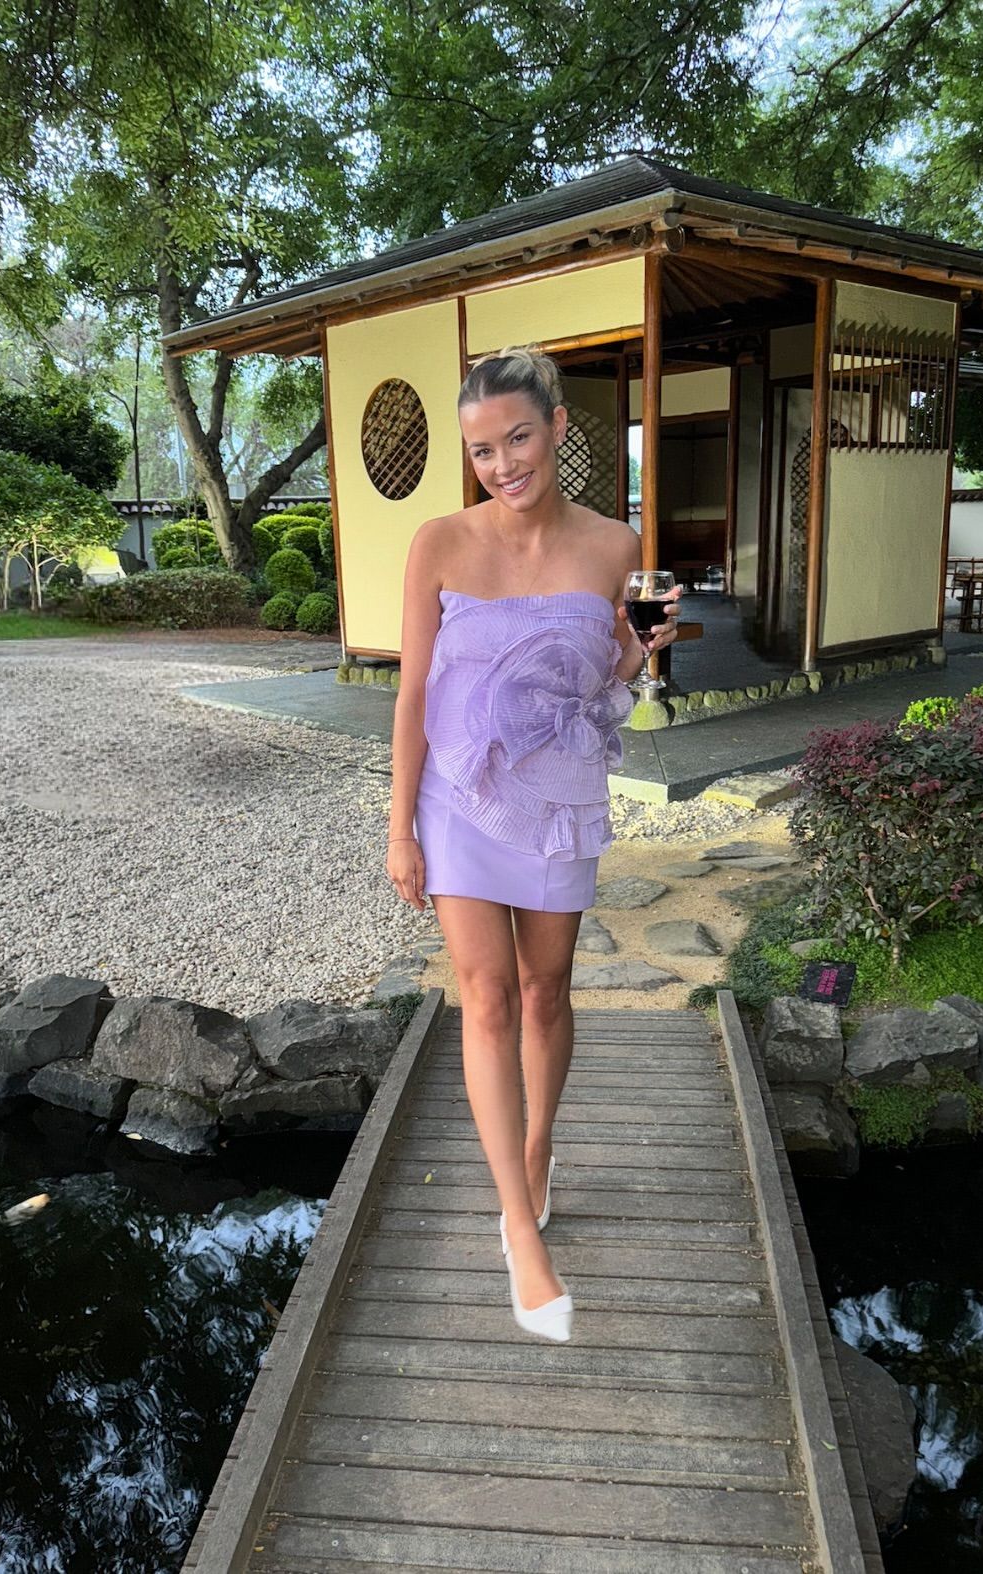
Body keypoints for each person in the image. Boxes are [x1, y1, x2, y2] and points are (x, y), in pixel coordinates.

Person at [386, 344, 681, 1343]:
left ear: (557, 427)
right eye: (482, 450)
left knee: (547, 991)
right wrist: (399, 827)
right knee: (487, 995)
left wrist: (642, 649)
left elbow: (604, 683)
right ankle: (518, 1222)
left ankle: (539, 1146)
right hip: (458, 796)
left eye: (518, 438)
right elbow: (414, 693)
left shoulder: (616, 544)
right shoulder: (437, 542)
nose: (503, 464)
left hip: (558, 797)